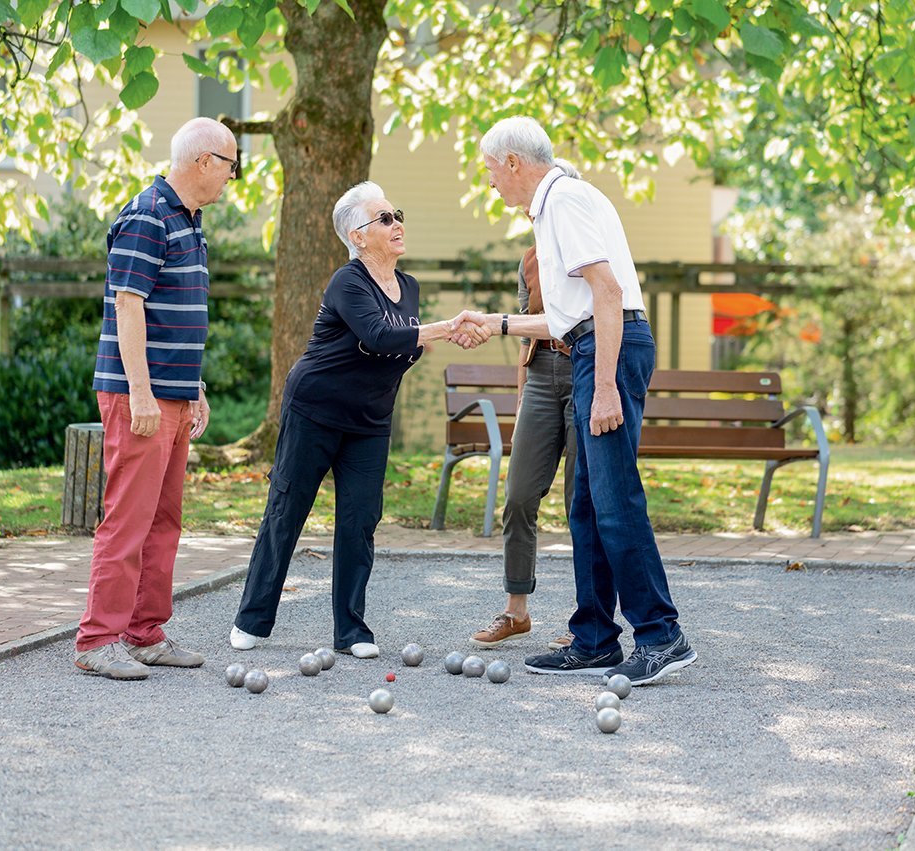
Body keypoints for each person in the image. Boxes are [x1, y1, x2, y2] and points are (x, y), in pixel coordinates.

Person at [456, 116, 697, 686]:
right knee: (587, 503)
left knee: (613, 499)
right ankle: (593, 639)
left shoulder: (563, 200)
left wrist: (607, 383)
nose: (492, 186)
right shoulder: (557, 204)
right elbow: (568, 313)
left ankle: (662, 634)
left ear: (514, 163)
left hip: (607, 352)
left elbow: (608, 293)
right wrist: (497, 323)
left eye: (492, 173)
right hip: (593, 343)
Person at [230, 181, 487, 658]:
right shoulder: (346, 281)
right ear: (358, 234)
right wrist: (440, 330)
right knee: (287, 511)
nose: (397, 225)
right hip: (315, 409)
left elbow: (399, 348)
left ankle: (351, 632)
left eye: (397, 214)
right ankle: (252, 619)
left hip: (370, 419)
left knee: (360, 519)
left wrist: (439, 338)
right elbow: (378, 334)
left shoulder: (408, 286)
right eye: (384, 218)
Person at [74, 117, 238, 680]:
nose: (231, 178)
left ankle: (144, 633)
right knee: (128, 519)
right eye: (230, 166)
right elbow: (129, 304)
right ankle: (97, 640)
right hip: (136, 396)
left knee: (164, 519)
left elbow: (179, 314)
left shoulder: (189, 222)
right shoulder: (148, 214)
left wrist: (194, 387)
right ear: (203, 161)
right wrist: (142, 392)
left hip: (173, 396)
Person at [468, 160, 582, 652]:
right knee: (518, 495)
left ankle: (590, 618)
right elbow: (526, 328)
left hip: (582, 371)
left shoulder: (588, 246)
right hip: (540, 375)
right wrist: (520, 400)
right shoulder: (529, 260)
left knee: (585, 502)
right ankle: (516, 611)